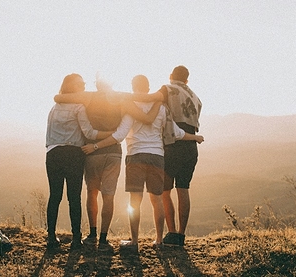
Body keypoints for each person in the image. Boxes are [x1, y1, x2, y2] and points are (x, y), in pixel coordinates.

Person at [81, 75, 204, 251]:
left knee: (135, 201)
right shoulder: (161, 108)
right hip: (157, 157)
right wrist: (195, 137)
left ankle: (134, 241)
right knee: (157, 200)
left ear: (133, 87)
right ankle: (159, 240)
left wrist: (96, 146)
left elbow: (119, 135)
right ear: (148, 88)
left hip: (136, 156)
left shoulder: (131, 107)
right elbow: (176, 132)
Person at [54, 76, 160, 250]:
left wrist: (58, 97)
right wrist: (159, 98)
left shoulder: (88, 97)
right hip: (113, 153)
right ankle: (103, 240)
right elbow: (145, 109)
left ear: (97, 84)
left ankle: (92, 234)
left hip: (91, 152)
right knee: (108, 195)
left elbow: (59, 98)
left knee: (92, 193)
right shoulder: (122, 98)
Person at [130, 65, 203, 246]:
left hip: (172, 144)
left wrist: (123, 97)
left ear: (171, 76)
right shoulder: (195, 97)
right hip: (190, 145)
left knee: (164, 190)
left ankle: (170, 233)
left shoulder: (167, 89)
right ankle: (181, 234)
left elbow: (149, 98)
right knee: (183, 189)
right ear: (187, 80)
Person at [45, 73, 113, 251]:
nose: (83, 85)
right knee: (74, 198)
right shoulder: (79, 107)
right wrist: (111, 134)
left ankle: (51, 237)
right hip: (73, 154)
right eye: (80, 83)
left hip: (53, 154)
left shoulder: (54, 107)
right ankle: (76, 239)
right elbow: (89, 133)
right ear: (71, 87)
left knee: (55, 196)